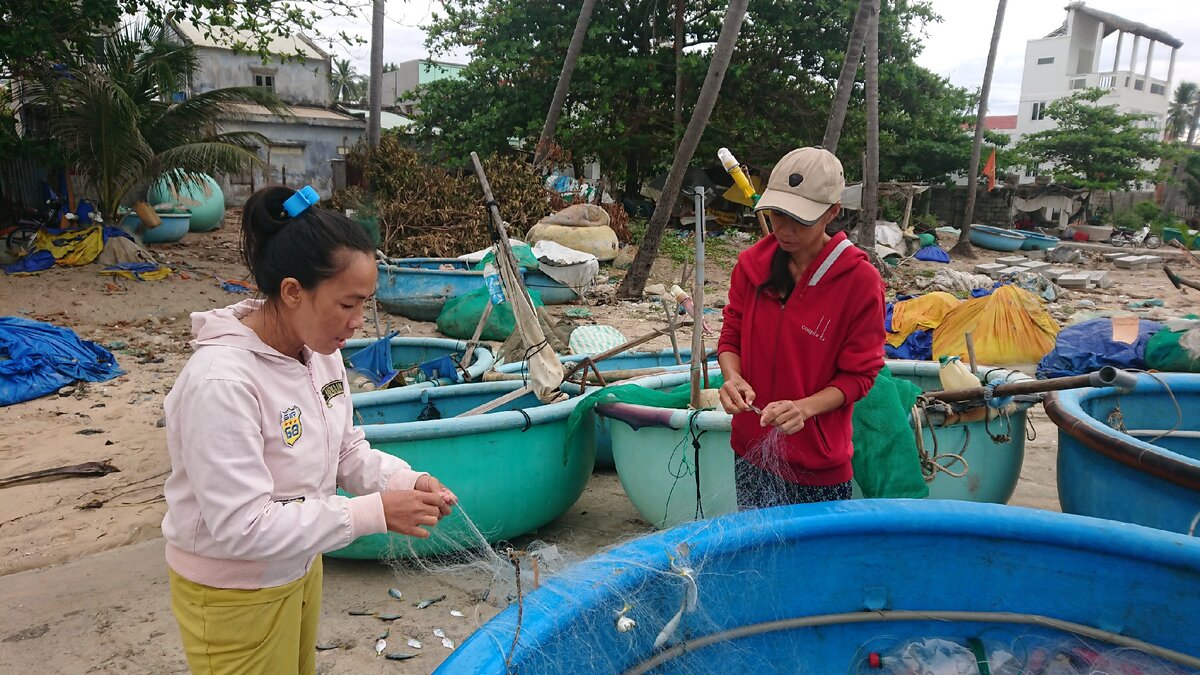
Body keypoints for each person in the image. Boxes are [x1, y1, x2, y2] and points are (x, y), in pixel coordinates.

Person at [161, 185, 458, 675]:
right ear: (293, 291)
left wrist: (403, 482)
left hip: (299, 565)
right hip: (233, 593)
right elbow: (243, 526)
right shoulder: (221, 383)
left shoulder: (320, 354)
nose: (358, 322)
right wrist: (372, 513)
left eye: (366, 304)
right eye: (347, 304)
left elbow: (344, 449)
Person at [717, 147, 886, 509]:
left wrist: (805, 408)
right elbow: (731, 335)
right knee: (759, 556)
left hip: (818, 465)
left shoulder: (859, 281)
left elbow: (860, 375)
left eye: (801, 220)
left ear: (832, 212)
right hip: (751, 449)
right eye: (778, 215)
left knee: (813, 564)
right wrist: (732, 377)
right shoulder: (751, 266)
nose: (785, 230)